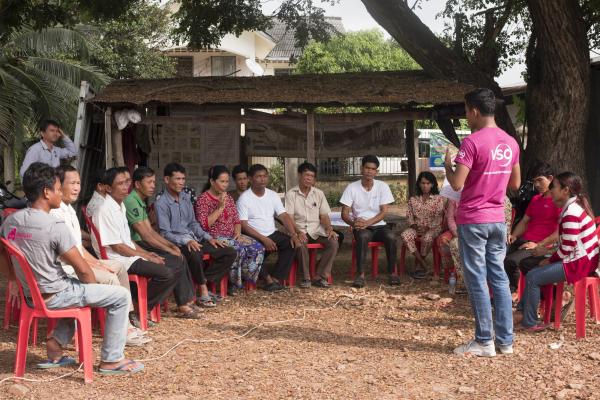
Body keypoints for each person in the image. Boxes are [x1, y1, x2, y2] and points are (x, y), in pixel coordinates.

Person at [0, 163, 143, 374]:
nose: (61, 193)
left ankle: (56, 345)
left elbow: (3, 253)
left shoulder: (10, 222)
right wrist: (95, 294)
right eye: (58, 189)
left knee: (75, 289)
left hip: (32, 295)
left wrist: (13, 279)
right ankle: (112, 359)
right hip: (55, 294)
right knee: (119, 296)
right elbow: (83, 270)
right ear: (47, 192)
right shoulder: (54, 226)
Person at [444, 88, 521, 357]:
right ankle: (506, 342)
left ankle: (484, 341)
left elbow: (456, 183)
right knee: (498, 278)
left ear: (475, 110)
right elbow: (515, 183)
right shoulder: (511, 142)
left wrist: (447, 165)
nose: (466, 117)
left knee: (477, 279)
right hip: (498, 219)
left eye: (466, 111)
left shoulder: (471, 143)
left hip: (473, 220)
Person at [50, 166, 150, 345]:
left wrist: (98, 262)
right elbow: (69, 255)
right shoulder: (56, 212)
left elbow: (79, 248)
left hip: (77, 261)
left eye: (78, 183)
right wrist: (95, 266)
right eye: (71, 183)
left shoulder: (69, 210)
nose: (76, 188)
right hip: (68, 268)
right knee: (110, 278)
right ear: (58, 185)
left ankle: (126, 318)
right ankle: (123, 331)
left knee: (118, 267)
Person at [93, 167, 182, 328]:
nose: (125, 186)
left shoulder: (120, 206)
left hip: (129, 255)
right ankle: (136, 307)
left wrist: (147, 253)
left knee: (176, 262)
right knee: (166, 273)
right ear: (107, 188)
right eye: (120, 183)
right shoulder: (104, 210)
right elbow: (118, 247)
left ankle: (142, 306)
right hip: (119, 260)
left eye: (127, 182)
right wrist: (146, 256)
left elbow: (129, 241)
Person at [517, 172, 599, 331]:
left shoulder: (571, 213)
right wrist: (546, 253)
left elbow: (567, 247)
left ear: (565, 190)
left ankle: (529, 322)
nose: (550, 191)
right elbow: (568, 244)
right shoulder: (573, 207)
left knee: (533, 276)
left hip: (580, 263)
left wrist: (549, 258)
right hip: (581, 259)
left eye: (553, 187)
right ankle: (523, 314)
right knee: (534, 269)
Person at [124, 167, 202, 316]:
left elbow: (151, 232)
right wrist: (169, 249)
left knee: (179, 256)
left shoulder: (139, 200)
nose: (153, 185)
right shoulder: (131, 201)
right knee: (176, 260)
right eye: (149, 182)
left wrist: (171, 245)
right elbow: (145, 235)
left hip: (142, 243)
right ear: (138, 184)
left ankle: (185, 302)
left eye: (154, 182)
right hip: (136, 246)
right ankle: (144, 304)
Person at [155, 163, 235, 306]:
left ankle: (203, 282)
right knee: (195, 252)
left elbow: (193, 223)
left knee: (229, 252)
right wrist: (186, 241)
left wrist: (209, 238)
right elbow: (165, 233)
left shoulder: (186, 198)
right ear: (167, 180)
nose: (181, 182)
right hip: (178, 243)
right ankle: (204, 291)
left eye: (183, 179)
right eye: (177, 179)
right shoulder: (161, 203)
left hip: (195, 239)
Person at [194, 165, 264, 294]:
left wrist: (237, 232)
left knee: (258, 247)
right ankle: (233, 284)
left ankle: (244, 279)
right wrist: (220, 208)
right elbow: (203, 226)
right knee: (239, 249)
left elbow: (236, 220)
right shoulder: (203, 199)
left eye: (227, 181)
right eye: (222, 181)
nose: (225, 185)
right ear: (212, 181)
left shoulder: (229, 198)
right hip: (214, 237)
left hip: (232, 235)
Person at [237, 164, 301, 292]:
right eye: (259, 176)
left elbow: (283, 216)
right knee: (254, 249)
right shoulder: (244, 198)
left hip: (271, 233)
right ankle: (268, 280)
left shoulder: (272, 195)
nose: (263, 179)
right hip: (253, 235)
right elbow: (243, 225)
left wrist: (294, 234)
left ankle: (276, 279)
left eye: (265, 176)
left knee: (290, 244)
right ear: (250, 179)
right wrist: (263, 239)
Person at [340, 155, 399, 288]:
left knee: (391, 237)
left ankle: (393, 273)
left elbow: (383, 212)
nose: (369, 171)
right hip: (361, 227)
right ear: (362, 169)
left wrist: (367, 223)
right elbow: (344, 213)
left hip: (378, 225)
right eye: (367, 168)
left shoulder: (382, 186)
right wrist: (353, 223)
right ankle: (360, 275)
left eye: (373, 169)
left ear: (376, 172)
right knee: (363, 236)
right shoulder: (352, 187)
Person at [505, 162, 560, 295]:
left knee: (511, 261)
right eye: (534, 181)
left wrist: (538, 244)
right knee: (497, 254)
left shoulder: (558, 201)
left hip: (541, 245)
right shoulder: (535, 199)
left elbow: (559, 231)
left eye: (540, 180)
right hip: (524, 240)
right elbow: (524, 221)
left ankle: (513, 292)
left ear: (551, 178)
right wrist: (514, 235)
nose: (537, 185)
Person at [285, 162, 339, 288]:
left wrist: (329, 229)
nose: (309, 178)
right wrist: (298, 232)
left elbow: (324, 216)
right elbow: (289, 217)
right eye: (306, 175)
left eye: (312, 176)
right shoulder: (291, 194)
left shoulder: (318, 193)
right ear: (299, 175)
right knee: (300, 243)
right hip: (298, 229)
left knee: (333, 241)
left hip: (316, 230)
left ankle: (320, 276)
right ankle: (306, 277)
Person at [400, 171, 445, 279]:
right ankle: (424, 264)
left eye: (428, 183)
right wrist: (414, 226)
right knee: (405, 235)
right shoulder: (413, 199)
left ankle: (418, 265)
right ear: (419, 184)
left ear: (432, 184)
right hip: (417, 227)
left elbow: (439, 217)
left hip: (433, 228)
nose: (425, 186)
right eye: (423, 183)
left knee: (427, 238)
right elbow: (409, 216)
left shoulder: (438, 199)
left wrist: (428, 227)